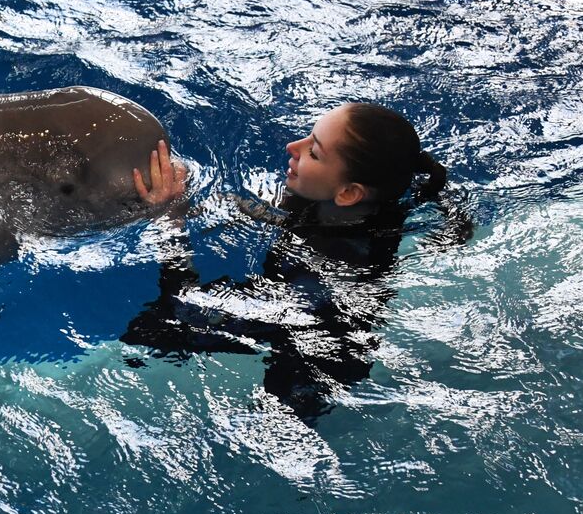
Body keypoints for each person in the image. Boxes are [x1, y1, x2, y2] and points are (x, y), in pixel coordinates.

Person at [126, 102, 469, 420]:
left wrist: (169, 221)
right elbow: (296, 215)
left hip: (318, 347)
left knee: (154, 329)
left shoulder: (335, 263)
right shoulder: (357, 206)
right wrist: (248, 209)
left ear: (348, 193)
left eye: (314, 152)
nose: (293, 146)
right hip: (302, 305)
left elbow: (184, 303)